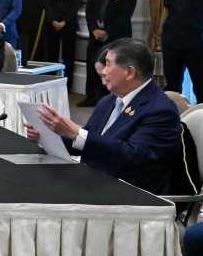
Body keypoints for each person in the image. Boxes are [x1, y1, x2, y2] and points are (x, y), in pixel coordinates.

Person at [24, 38, 182, 195]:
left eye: (108, 64)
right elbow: (88, 143)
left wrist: (75, 132)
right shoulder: (109, 100)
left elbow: (134, 157)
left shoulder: (161, 110)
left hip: (129, 193)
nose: (103, 71)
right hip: (94, 180)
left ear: (130, 72)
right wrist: (49, 135)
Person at [83, 0, 136, 107]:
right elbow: (89, 12)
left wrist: (107, 32)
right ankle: (91, 97)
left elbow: (125, 16)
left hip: (116, 38)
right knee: (92, 66)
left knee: (112, 68)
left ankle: (108, 100)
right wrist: (94, 29)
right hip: (95, 36)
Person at [161, 0, 203, 102]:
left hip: (196, 43)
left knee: (201, 84)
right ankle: (172, 114)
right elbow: (168, 10)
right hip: (172, 43)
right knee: (172, 85)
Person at [42, 0, 82, 80]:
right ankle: (49, 80)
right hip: (52, 23)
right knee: (51, 54)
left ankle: (67, 84)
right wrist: (54, 20)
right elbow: (47, 3)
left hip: (69, 23)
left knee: (68, 55)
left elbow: (76, 3)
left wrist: (64, 21)